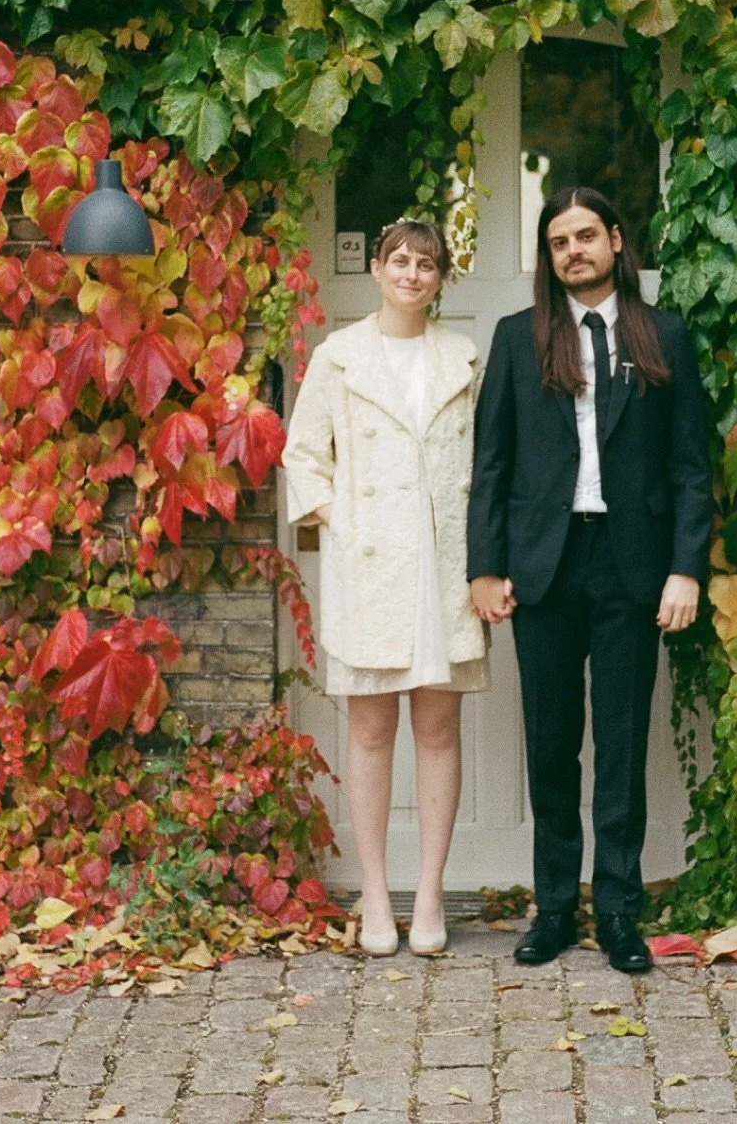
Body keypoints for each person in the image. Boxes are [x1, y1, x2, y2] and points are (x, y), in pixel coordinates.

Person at [467, 186, 710, 974]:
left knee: (621, 745)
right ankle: (552, 911)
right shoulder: (518, 338)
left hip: (632, 565)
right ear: (550, 256)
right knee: (550, 747)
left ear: (615, 239)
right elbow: (492, 461)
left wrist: (685, 568)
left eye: (585, 236)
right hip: (544, 563)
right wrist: (486, 566)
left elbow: (690, 465)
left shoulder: (663, 335)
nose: (573, 251)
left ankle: (617, 912)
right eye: (558, 241)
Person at [283, 219, 488, 957]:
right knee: (370, 733)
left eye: (426, 265)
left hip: (444, 566)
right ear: (376, 268)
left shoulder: (463, 357)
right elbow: (303, 454)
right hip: (372, 566)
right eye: (399, 260)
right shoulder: (339, 356)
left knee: (438, 731)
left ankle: (428, 894)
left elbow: (486, 461)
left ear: (440, 279)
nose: (411, 274)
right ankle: (374, 893)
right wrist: (344, 519)